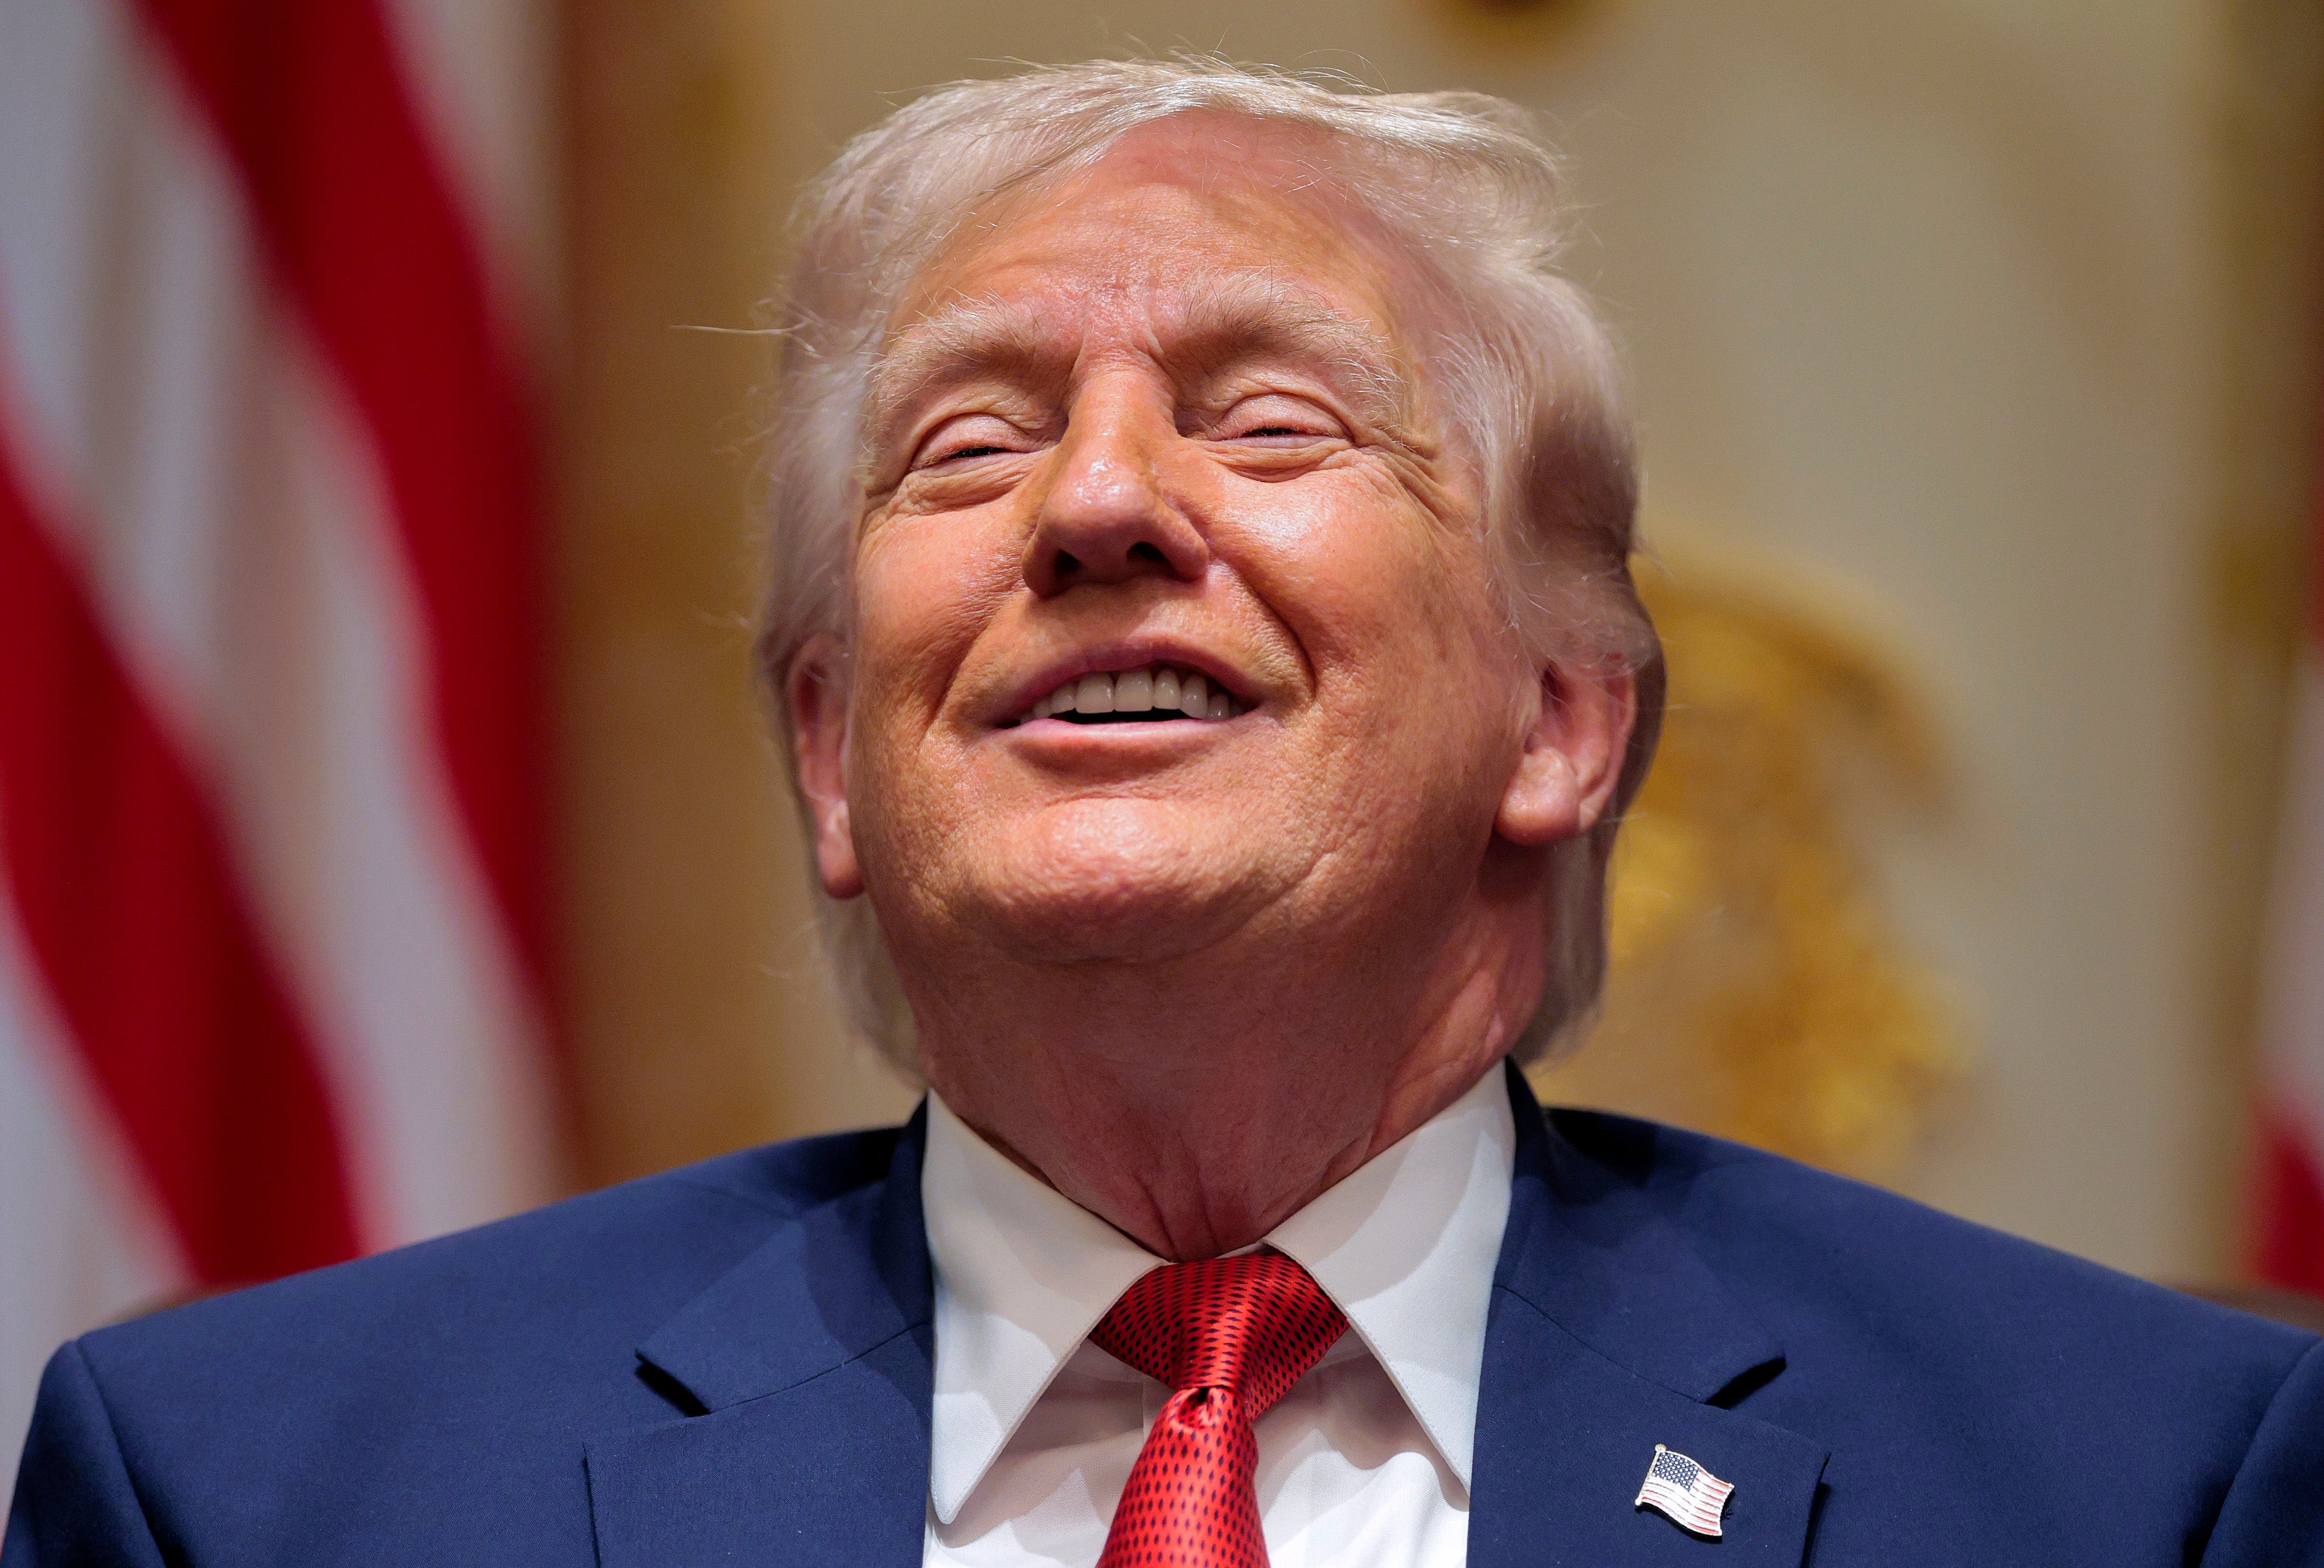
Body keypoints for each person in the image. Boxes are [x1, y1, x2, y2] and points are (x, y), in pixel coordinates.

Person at [7, 59, 2321, 1568]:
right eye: (971, 444)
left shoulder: (2136, 1488)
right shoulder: (257, 1492)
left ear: (1559, 717)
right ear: (831, 750)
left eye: (1274, 422)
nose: (1101, 502)